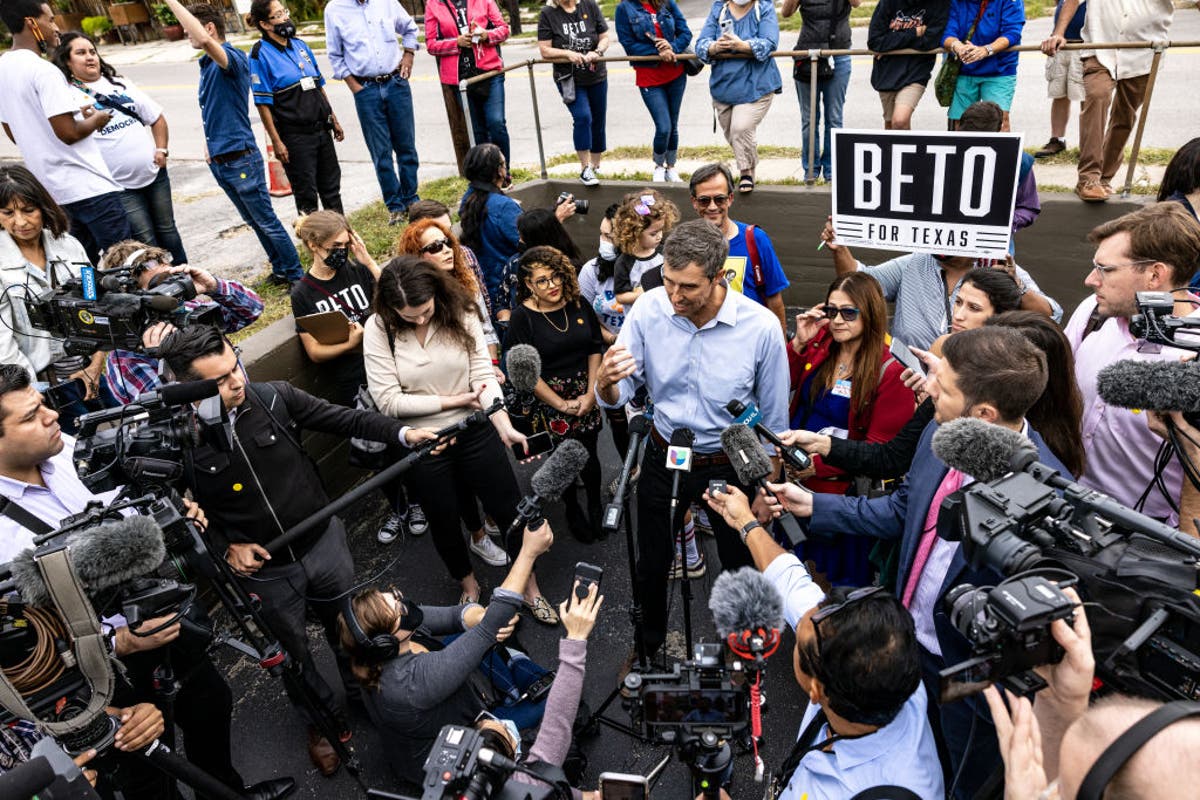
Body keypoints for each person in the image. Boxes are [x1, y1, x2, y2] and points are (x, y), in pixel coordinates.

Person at [756, 326, 1069, 800]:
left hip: (967, 682)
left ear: (983, 414)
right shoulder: (941, 428)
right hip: (905, 647)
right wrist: (814, 505)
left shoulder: (1049, 499)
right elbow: (903, 509)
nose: (928, 389)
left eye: (943, 386)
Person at [0, 364, 295, 800]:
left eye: (43, 404)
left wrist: (173, 515)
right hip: (103, 674)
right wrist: (118, 641)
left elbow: (130, 506)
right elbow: (23, 646)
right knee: (147, 773)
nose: (52, 416)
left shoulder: (68, 453)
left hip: (166, 622)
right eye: (30, 416)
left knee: (211, 707)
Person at [157, 325, 435, 775]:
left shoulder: (274, 397)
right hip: (265, 575)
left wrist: (403, 434)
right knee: (293, 657)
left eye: (235, 366)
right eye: (220, 380)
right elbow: (172, 517)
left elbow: (347, 419)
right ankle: (323, 723)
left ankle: (365, 695)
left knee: (350, 631)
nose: (237, 382)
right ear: (186, 390)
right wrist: (224, 549)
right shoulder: (176, 443)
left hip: (324, 544)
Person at [595, 219, 789, 657]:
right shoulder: (649, 310)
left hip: (730, 462)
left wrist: (768, 486)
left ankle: (744, 659)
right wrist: (605, 384)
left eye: (688, 287)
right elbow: (619, 391)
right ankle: (647, 652)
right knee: (651, 563)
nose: (674, 296)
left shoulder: (760, 327)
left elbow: (775, 418)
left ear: (719, 277)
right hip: (665, 453)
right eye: (668, 281)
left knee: (739, 565)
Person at [702, 487, 945, 799]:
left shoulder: (878, 791)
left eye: (798, 643)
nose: (804, 614)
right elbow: (792, 584)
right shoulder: (887, 670)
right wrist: (746, 523)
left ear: (816, 690)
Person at [363, 258, 559, 623]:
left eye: (425, 311)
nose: (420, 320)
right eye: (409, 316)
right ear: (390, 308)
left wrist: (503, 424)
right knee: (443, 519)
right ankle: (468, 585)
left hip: (475, 427)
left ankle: (529, 587)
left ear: (436, 293)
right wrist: (455, 400)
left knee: (508, 508)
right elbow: (388, 401)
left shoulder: (461, 309)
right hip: (423, 440)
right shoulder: (378, 328)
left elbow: (482, 375)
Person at [337, 520, 553, 788]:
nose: (404, 603)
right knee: (559, 696)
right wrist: (528, 553)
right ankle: (517, 681)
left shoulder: (383, 645)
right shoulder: (411, 684)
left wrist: (478, 616)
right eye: (398, 609)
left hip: (443, 711)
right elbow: (492, 624)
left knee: (462, 639)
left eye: (394, 597)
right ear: (385, 643)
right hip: (454, 752)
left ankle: (513, 676)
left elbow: (453, 617)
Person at [1063, 203, 1200, 525]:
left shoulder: (1193, 355)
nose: (1090, 280)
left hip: (1144, 536)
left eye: (1105, 269)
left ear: (1155, 275)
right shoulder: (1092, 311)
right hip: (1063, 506)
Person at [163, 0, 303, 288]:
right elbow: (217, 109)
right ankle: (280, 268)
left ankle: (296, 275)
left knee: (266, 220)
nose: (188, 35)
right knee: (253, 221)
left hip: (241, 158)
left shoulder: (232, 58)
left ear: (209, 28)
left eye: (190, 30)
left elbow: (204, 41)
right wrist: (209, 144)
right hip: (221, 158)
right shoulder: (207, 64)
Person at [787, 273, 914, 585]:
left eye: (848, 312)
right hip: (796, 481)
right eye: (831, 311)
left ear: (869, 313)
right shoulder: (821, 343)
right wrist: (799, 343)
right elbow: (782, 385)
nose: (837, 320)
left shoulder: (891, 371)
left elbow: (879, 452)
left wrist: (816, 466)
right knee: (800, 574)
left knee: (836, 588)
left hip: (841, 497)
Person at [0, 0, 131, 264]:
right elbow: (68, 133)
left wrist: (68, 117)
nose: (56, 27)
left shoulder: (4, 69)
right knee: (124, 261)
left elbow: (15, 132)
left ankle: (91, 294)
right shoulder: (43, 70)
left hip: (51, 192)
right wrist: (97, 119)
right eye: (50, 20)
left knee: (80, 264)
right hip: (88, 186)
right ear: (31, 23)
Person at [821, 217, 1061, 350]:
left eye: (973, 307)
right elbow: (858, 284)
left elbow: (1051, 317)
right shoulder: (914, 262)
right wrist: (839, 248)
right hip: (906, 384)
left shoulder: (999, 268)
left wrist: (1017, 287)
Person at [53, 32, 188, 266]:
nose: (90, 57)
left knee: (168, 231)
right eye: (81, 53)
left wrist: (161, 149)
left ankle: (186, 276)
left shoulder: (120, 83)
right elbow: (68, 136)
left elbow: (156, 117)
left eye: (92, 51)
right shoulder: (66, 95)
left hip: (154, 173)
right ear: (67, 61)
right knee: (144, 238)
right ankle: (162, 283)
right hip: (118, 185)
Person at [506, 246, 604, 542]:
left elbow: (594, 347)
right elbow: (525, 372)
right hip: (549, 399)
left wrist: (591, 393)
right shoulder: (522, 318)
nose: (552, 285)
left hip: (585, 391)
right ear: (528, 284)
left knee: (590, 454)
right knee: (562, 458)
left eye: (556, 276)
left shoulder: (578, 303)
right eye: (542, 280)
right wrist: (560, 404)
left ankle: (596, 504)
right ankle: (572, 507)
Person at [98, 241, 264, 405]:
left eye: (171, 279)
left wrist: (214, 286)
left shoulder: (189, 311)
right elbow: (173, 412)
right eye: (159, 285)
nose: (171, 291)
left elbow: (252, 310)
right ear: (129, 299)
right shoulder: (126, 360)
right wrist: (164, 357)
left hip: (250, 407)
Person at [1042, 0, 1175, 202]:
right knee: (1097, 97)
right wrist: (1058, 33)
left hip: (1144, 53)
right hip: (1100, 48)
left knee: (1125, 115)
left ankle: (1104, 178)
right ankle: (1088, 179)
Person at [0, 165, 106, 394]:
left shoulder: (70, 245)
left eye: (28, 210)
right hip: (41, 385)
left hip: (90, 371)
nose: (21, 222)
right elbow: (3, 344)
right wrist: (32, 393)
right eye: (8, 213)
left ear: (43, 207)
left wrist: (97, 364)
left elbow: (96, 302)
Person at [325, 0, 421, 225]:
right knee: (381, 153)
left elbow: (409, 28)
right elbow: (335, 55)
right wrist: (355, 87)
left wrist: (409, 54)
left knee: (406, 148)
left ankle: (411, 199)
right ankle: (395, 206)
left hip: (396, 83)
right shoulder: (334, 9)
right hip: (365, 89)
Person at [460, 144, 578, 327]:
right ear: (498, 171)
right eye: (504, 163)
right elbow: (531, 243)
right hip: (512, 291)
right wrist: (555, 219)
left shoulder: (469, 198)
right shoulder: (504, 207)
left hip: (487, 287)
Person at [248, 0, 345, 217]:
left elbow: (318, 85)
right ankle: (314, 238)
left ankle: (342, 235)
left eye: (284, 12)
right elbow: (262, 103)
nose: (285, 18)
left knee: (332, 189)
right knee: (306, 196)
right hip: (295, 138)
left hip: (322, 130)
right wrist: (277, 141)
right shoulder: (259, 54)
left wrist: (333, 119)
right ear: (265, 24)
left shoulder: (301, 45)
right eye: (278, 15)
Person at [694, 0, 782, 194]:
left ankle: (746, 173)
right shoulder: (719, 8)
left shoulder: (763, 7)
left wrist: (742, 45)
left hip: (756, 86)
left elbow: (770, 43)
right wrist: (714, 47)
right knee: (734, 135)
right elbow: (700, 45)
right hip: (723, 88)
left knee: (740, 128)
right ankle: (749, 168)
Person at [689, 163, 789, 331]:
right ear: (694, 202)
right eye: (704, 200)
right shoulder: (686, 243)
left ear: (730, 199)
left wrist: (782, 342)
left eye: (719, 199)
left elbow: (774, 298)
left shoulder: (756, 239)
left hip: (751, 337)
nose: (712, 207)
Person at [615, 0, 692, 182]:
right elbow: (629, 45)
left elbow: (685, 33)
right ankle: (658, 165)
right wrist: (658, 50)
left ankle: (671, 167)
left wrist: (672, 47)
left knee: (673, 125)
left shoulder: (666, 3)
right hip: (649, 77)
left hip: (676, 74)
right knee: (663, 127)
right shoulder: (624, 8)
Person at [425, 0, 511, 163]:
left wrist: (487, 35)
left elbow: (504, 30)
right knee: (477, 132)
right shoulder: (433, 4)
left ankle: (503, 171)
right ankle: (486, 174)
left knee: (496, 123)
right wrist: (455, 42)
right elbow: (431, 44)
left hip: (490, 72)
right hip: (460, 78)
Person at [783, 0, 858, 181]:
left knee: (834, 117)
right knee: (809, 119)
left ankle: (831, 170)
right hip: (808, 55)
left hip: (839, 53)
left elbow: (857, 3)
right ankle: (811, 169)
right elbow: (786, 12)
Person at [538, 0, 611, 185]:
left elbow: (604, 36)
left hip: (596, 74)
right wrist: (567, 54)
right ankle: (585, 168)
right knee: (583, 117)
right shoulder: (548, 13)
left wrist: (597, 51)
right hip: (569, 78)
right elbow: (544, 50)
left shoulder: (589, 5)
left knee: (598, 119)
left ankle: (596, 166)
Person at [957, 100, 1039, 237]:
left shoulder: (1019, 161)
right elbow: (1028, 207)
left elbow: (1027, 207)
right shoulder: (939, 154)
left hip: (993, 241)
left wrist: (1004, 224)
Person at [865, 0, 949, 130]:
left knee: (900, 121)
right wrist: (914, 32)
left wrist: (891, 43)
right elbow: (875, 42)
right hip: (887, 71)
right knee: (890, 124)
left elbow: (929, 42)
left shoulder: (939, 4)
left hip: (917, 70)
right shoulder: (888, 3)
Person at [942, 0, 1024, 130]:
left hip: (999, 70)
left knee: (1001, 121)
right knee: (960, 122)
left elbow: (1012, 32)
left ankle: (1002, 144)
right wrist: (958, 47)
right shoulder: (957, 2)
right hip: (964, 69)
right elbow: (948, 33)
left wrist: (986, 50)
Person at [927, 265, 1022, 355]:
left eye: (974, 308)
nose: (958, 316)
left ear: (1000, 316)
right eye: (958, 302)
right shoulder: (943, 346)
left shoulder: (1016, 359)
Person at [1033, 0, 1086, 158]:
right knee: (1059, 95)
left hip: (1084, 45)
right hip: (1061, 45)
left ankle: (1088, 143)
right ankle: (1057, 139)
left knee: (1088, 98)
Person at [611, 187, 679, 306]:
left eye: (661, 230)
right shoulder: (624, 262)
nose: (659, 236)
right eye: (653, 234)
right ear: (635, 233)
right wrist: (646, 294)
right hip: (640, 315)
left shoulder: (666, 252)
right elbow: (620, 297)